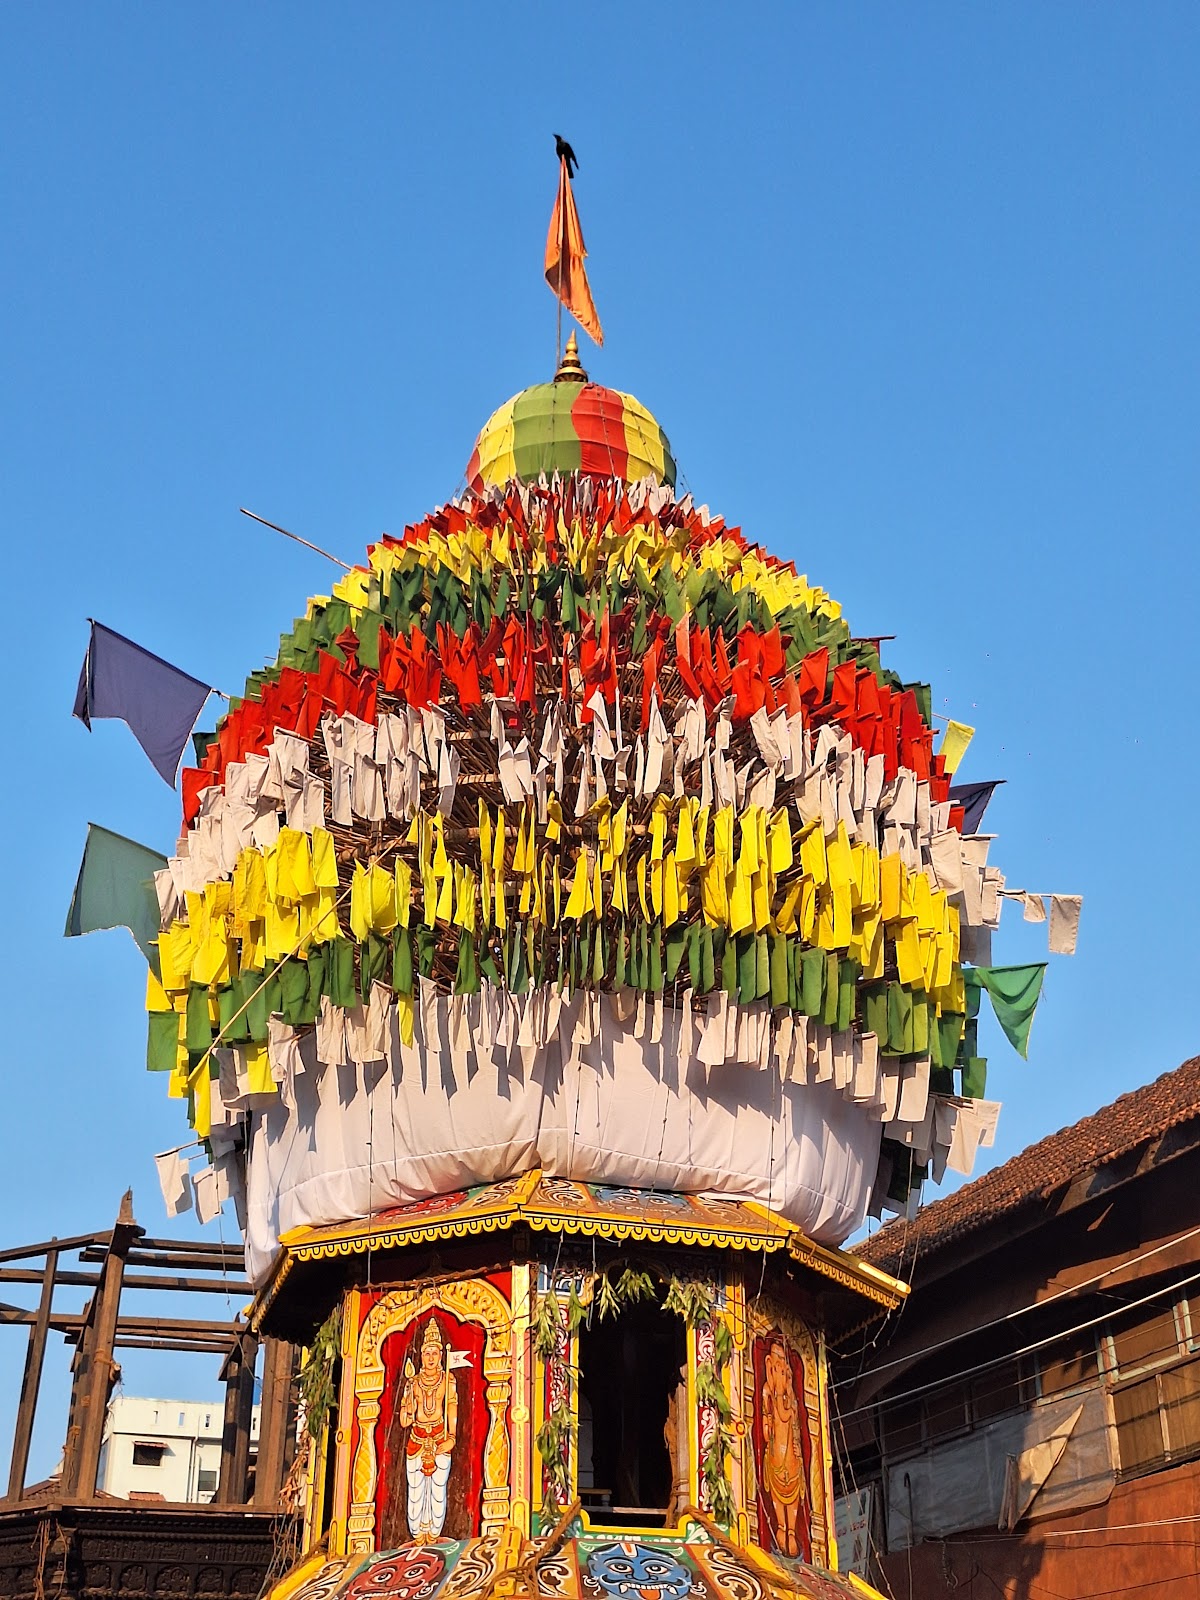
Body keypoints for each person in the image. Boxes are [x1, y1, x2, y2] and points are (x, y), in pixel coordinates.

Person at [398, 1316, 458, 1539]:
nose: (431, 1358)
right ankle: (417, 1536)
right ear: (421, 1356)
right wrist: (409, 1409)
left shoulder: (447, 1380)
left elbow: (452, 1408)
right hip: (417, 1439)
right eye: (427, 1353)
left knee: (437, 1492)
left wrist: (451, 1436)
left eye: (435, 1353)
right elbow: (404, 1421)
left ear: (441, 1356)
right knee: (415, 1494)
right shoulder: (412, 1383)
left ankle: (434, 1535)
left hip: (440, 1438)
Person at [760, 1340, 807, 1558]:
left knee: (795, 1488)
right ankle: (781, 1526)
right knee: (776, 1488)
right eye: (775, 1362)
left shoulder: (790, 1397)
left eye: (783, 1363)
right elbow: (765, 1426)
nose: (780, 1367)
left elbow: (792, 1419)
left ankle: (790, 1529)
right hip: (775, 1452)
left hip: (790, 1450)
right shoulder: (767, 1391)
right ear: (769, 1364)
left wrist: (784, 1393)